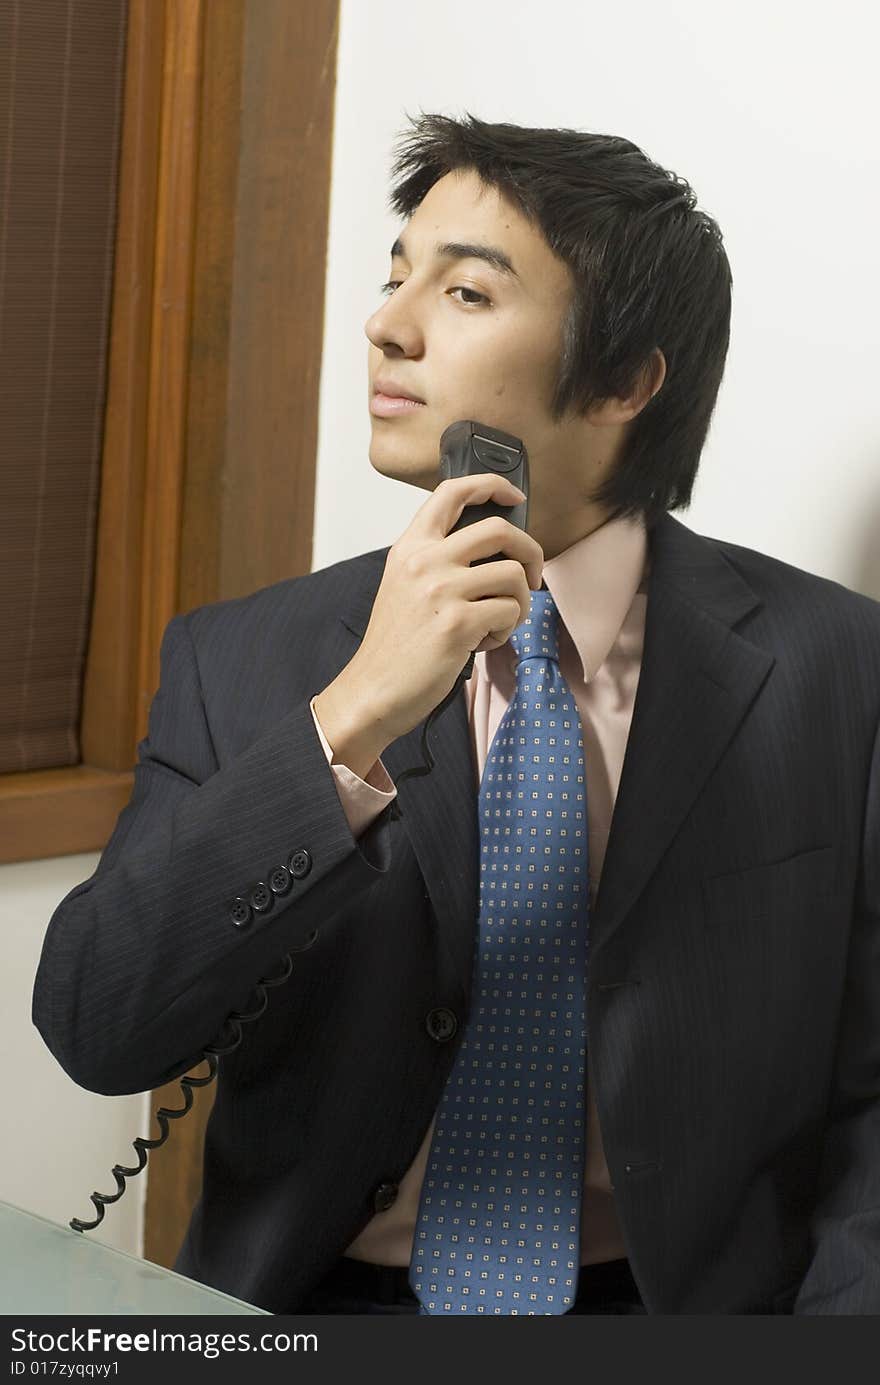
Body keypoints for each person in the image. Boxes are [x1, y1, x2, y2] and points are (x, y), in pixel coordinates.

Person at [32, 113, 880, 1316]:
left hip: (674, 1301)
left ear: (627, 378)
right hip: (324, 1296)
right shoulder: (244, 658)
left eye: (466, 290)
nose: (386, 321)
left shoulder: (837, 669)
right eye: (394, 275)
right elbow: (96, 1023)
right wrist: (353, 714)